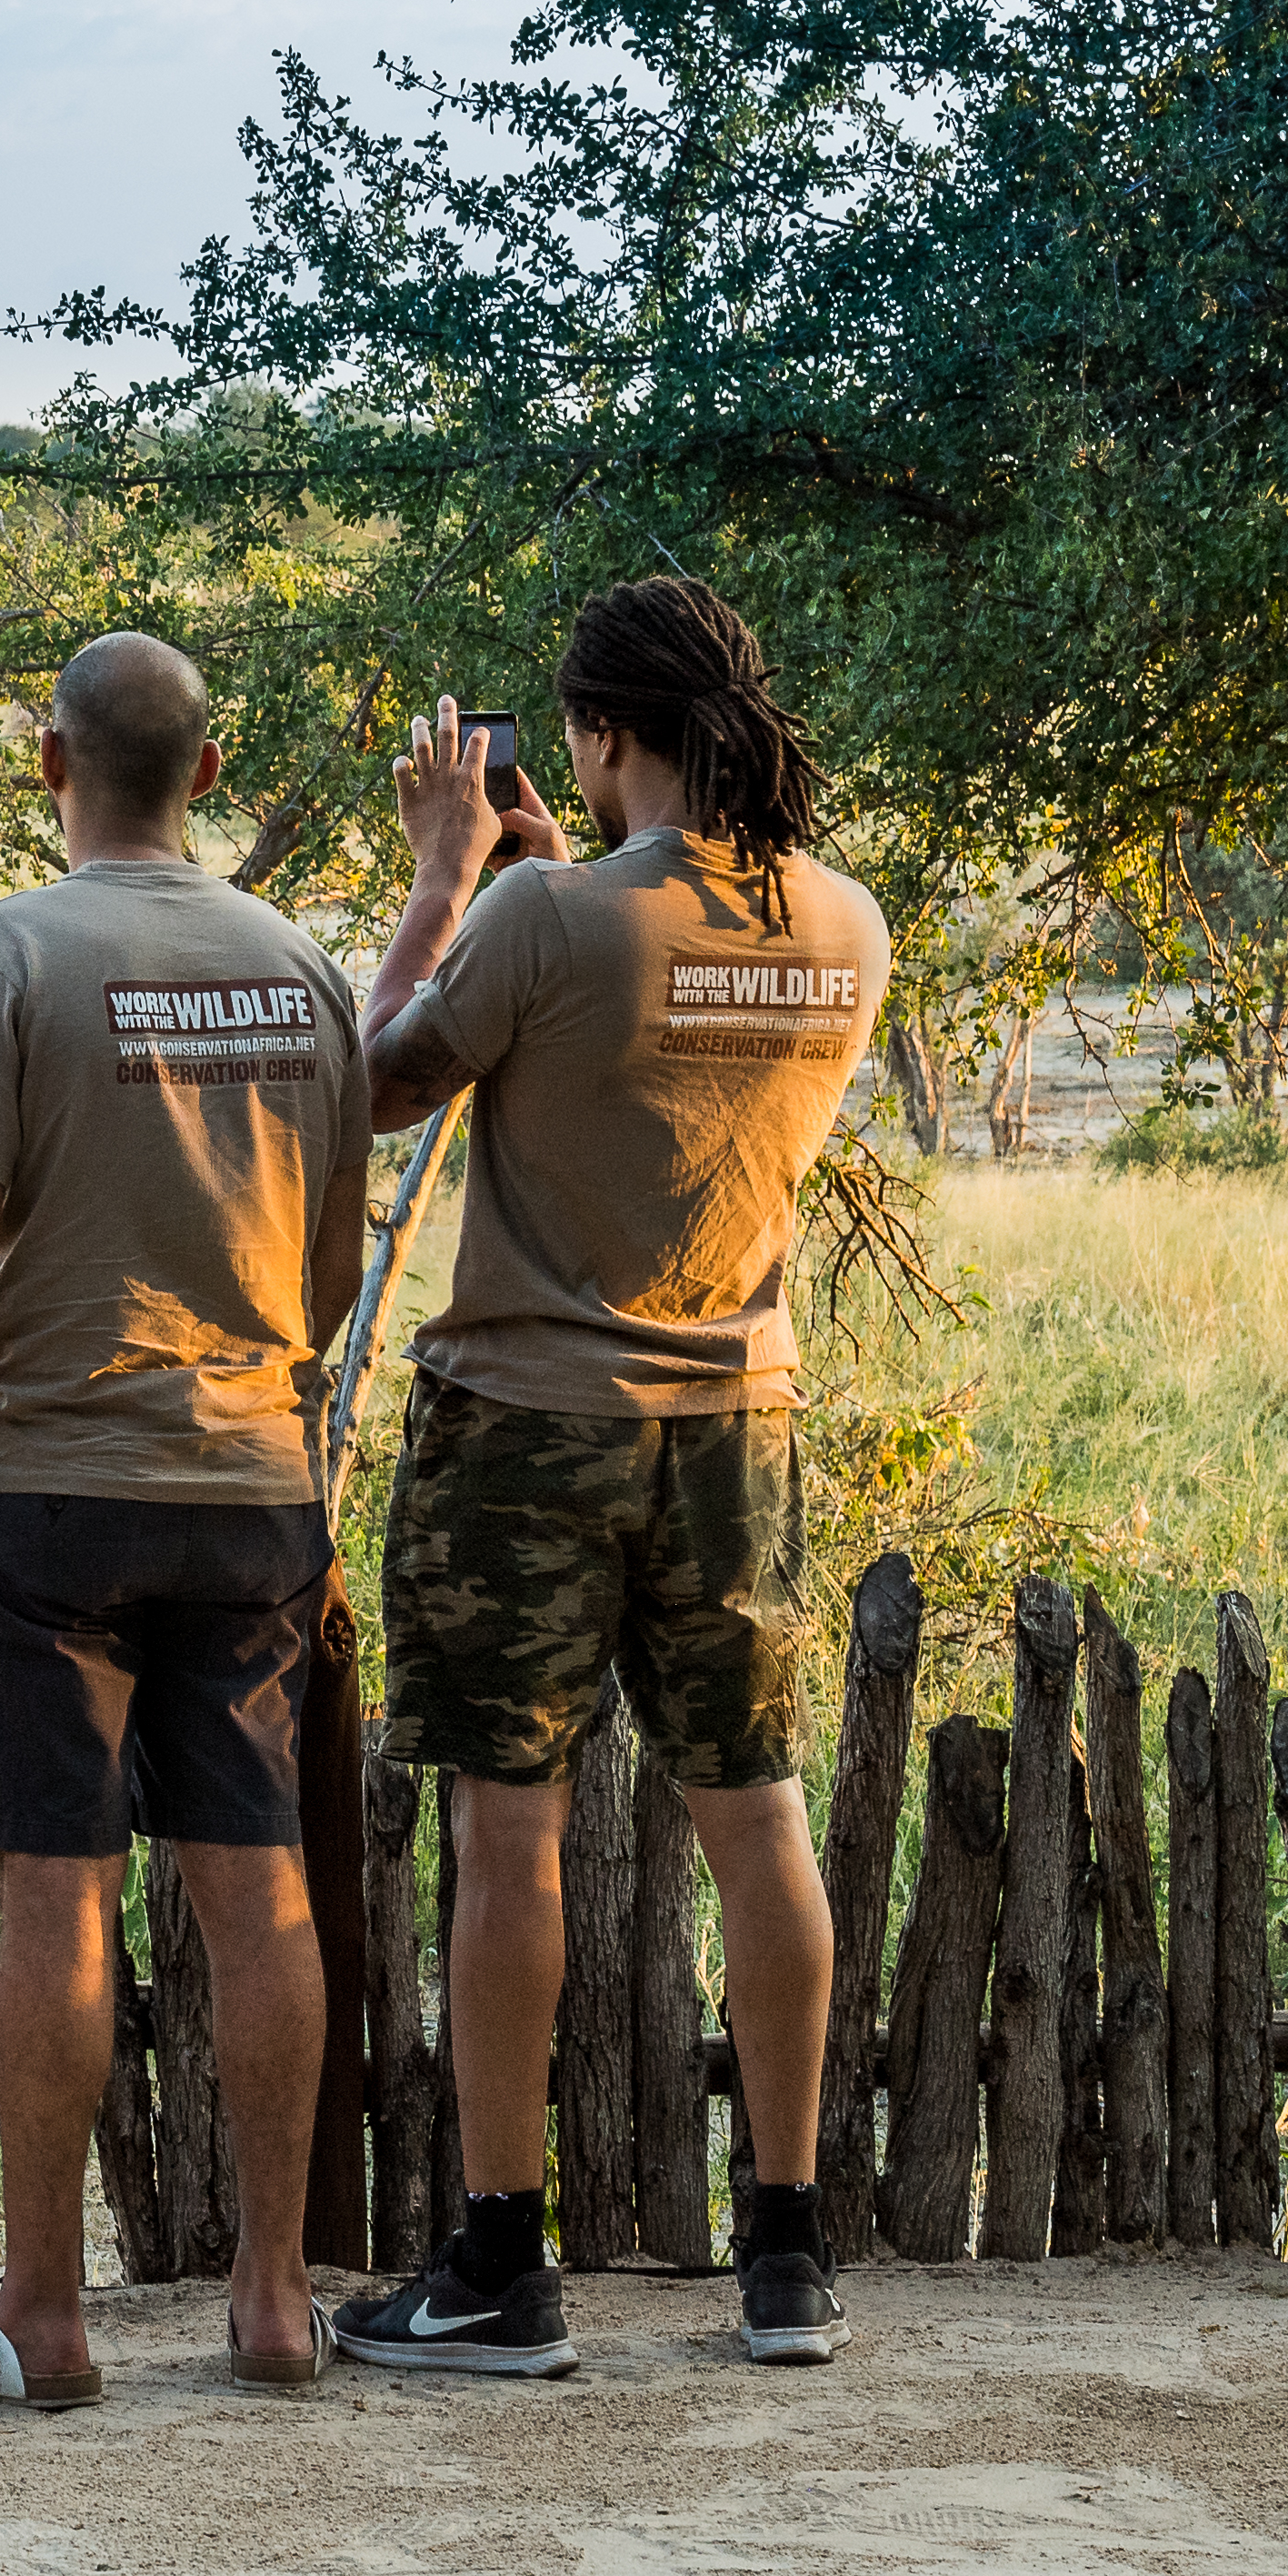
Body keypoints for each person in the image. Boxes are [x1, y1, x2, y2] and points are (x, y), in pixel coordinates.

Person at [330, 576, 889, 2378]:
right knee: (756, 1814)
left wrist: (444, 874)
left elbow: (365, 1091)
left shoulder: (540, 916)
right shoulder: (845, 925)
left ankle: (501, 2262)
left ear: (597, 734)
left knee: (512, 1827)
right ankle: (785, 2255)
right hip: (740, 1420)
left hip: (524, 1419)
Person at [0, 630, 369, 2405]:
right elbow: (328, 1260)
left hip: (47, 1488)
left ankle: (42, 2317)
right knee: (255, 1887)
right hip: (249, 1481)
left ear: (43, 758)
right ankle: (273, 2296)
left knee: (51, 1899)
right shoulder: (295, 967)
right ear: (205, 773)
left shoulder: (12, 951)